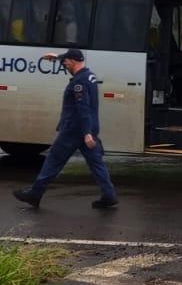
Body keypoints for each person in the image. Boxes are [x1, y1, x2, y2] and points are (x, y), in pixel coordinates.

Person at [13, 48, 118, 209]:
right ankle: (109, 195)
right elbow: (70, 59)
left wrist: (86, 133)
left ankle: (35, 194)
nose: (64, 64)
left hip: (74, 130)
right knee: (97, 164)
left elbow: (83, 108)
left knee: (53, 161)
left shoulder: (78, 83)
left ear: (74, 62)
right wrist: (56, 57)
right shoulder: (89, 76)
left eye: (66, 61)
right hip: (88, 128)